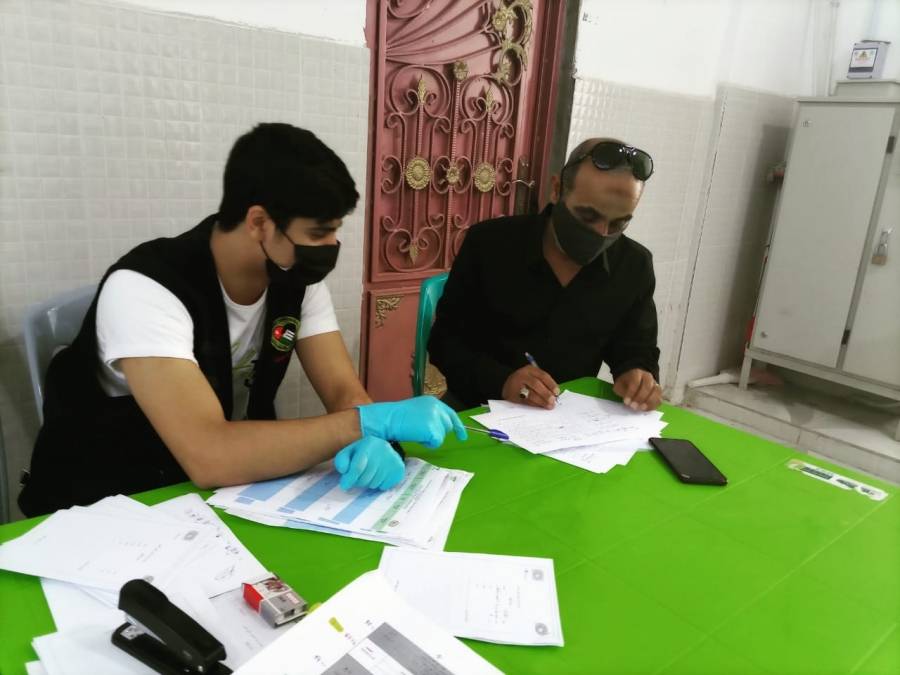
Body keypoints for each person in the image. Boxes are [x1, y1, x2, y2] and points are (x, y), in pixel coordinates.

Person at [19, 123, 465, 517]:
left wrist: (371, 439)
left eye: (335, 230)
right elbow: (209, 455)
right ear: (259, 222)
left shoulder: (295, 279)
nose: (331, 246)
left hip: (219, 495)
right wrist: (365, 423)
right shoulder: (146, 288)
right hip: (111, 499)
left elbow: (342, 391)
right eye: (318, 232)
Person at [428, 137, 662, 413]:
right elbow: (444, 342)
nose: (601, 233)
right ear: (556, 190)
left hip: (566, 417)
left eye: (618, 224)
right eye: (588, 217)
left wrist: (637, 374)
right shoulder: (490, 244)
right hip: (477, 407)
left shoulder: (634, 265)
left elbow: (636, 346)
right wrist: (502, 381)